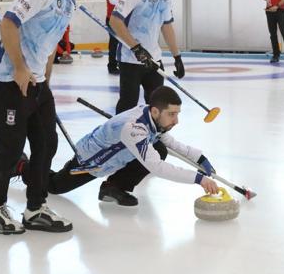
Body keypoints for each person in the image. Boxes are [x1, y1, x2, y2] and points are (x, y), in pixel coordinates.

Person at [0, 0, 101, 235]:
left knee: (47, 143)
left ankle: (35, 207)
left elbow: (49, 42)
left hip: (36, 83)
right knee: (10, 148)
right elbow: (9, 24)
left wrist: (45, 76)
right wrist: (21, 68)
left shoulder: (69, 0)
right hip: (8, 81)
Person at [49, 86, 219, 207]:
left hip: (115, 158)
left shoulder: (152, 117)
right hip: (91, 162)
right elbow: (157, 168)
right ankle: (22, 166)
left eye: (177, 114)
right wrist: (199, 179)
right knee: (54, 187)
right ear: (155, 111)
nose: (176, 121)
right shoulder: (134, 128)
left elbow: (171, 144)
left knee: (159, 148)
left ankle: (113, 188)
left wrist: (200, 158)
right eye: (172, 114)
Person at [109, 0, 185, 116]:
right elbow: (115, 21)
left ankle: (154, 140)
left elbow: (166, 25)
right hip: (130, 59)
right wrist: (136, 48)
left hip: (154, 59)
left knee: (158, 107)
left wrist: (177, 56)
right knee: (128, 106)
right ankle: (118, 139)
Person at [105, 0, 129, 75]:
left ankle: (119, 63)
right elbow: (111, 0)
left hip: (120, 19)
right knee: (113, 44)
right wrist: (124, 2)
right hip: (112, 20)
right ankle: (112, 66)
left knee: (121, 43)